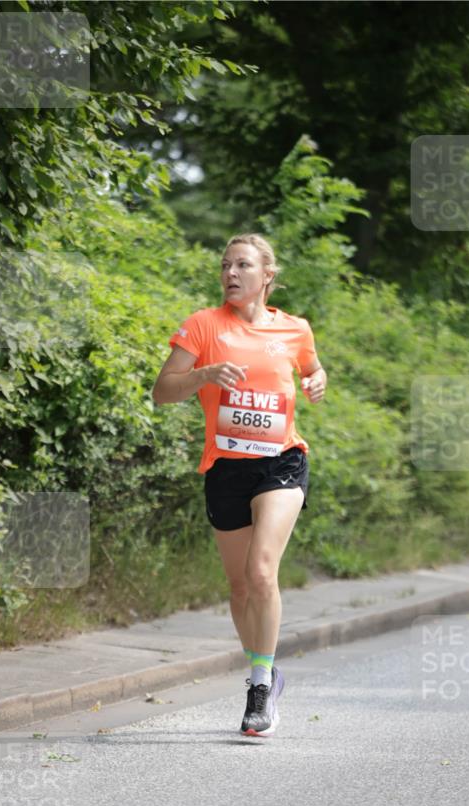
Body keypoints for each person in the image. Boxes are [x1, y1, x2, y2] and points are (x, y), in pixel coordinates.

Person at [152, 233, 327, 734]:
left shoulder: (295, 329)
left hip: (281, 461)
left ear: (266, 275)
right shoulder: (203, 326)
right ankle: (264, 669)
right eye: (226, 265)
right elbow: (162, 392)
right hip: (225, 467)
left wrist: (317, 382)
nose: (231, 273)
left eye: (243, 266)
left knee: (261, 571)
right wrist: (204, 374)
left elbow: (313, 371)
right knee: (238, 586)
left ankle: (259, 685)